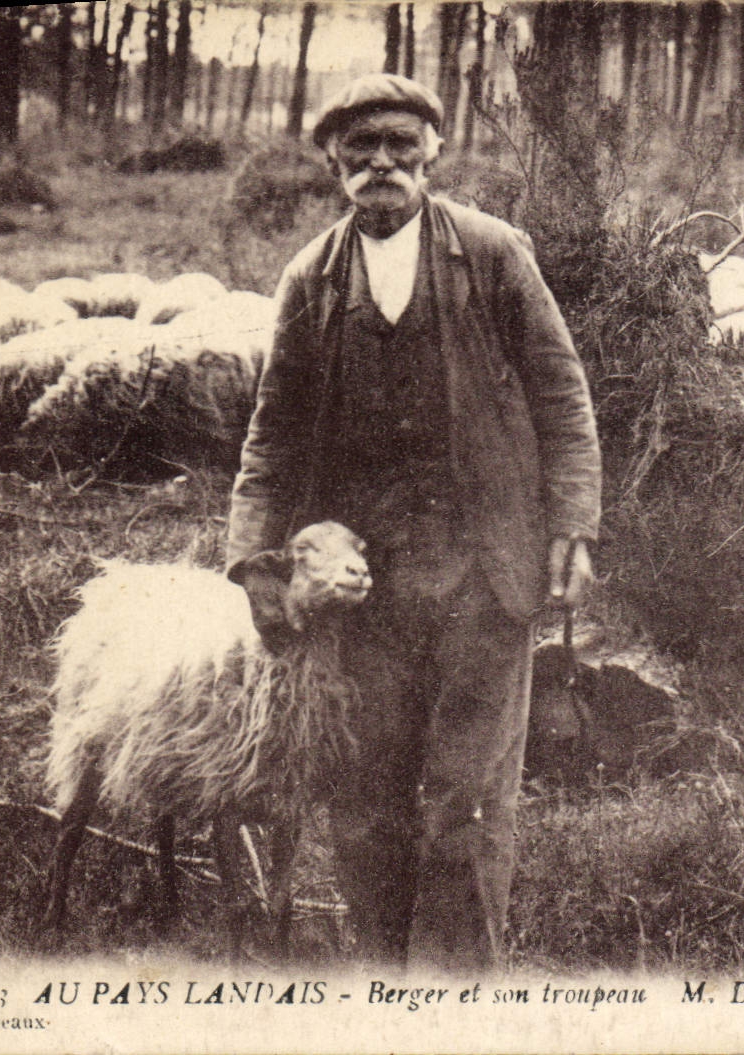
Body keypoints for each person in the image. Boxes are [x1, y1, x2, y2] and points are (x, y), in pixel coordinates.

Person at [224, 73, 601, 972]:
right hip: (363, 589)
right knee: (365, 801)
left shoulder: (494, 252)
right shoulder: (310, 279)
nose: (382, 164)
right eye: (362, 150)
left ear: (433, 152)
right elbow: (271, 432)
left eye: (401, 145)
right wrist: (252, 560)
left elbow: (561, 393)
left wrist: (572, 527)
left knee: (465, 800)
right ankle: (386, 983)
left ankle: (463, 992)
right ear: (332, 163)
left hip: (483, 569)